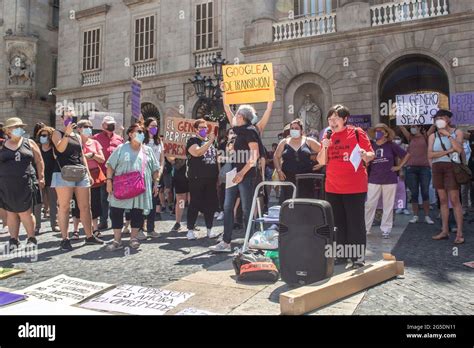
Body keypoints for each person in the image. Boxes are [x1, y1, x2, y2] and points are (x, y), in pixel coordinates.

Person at [317, 105, 375, 268]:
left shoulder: (356, 132)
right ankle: (342, 255)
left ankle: (357, 257)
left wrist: (365, 155)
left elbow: (371, 154)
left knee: (355, 222)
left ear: (345, 119)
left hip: (354, 186)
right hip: (333, 187)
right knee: (338, 223)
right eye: (329, 119)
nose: (332, 122)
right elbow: (321, 161)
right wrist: (326, 145)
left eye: (335, 118)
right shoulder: (326, 137)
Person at [209, 104, 261, 253]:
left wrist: (242, 173)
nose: (234, 117)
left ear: (242, 117)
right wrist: (225, 94)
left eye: (237, 114)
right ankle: (226, 242)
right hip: (235, 173)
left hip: (246, 175)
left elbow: (254, 156)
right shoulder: (238, 131)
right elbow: (228, 111)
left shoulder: (250, 132)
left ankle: (250, 242)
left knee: (246, 209)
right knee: (227, 207)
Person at [51, 108, 103, 251]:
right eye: (67, 117)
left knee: (86, 206)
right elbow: (59, 150)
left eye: (72, 117)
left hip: (80, 172)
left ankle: (89, 236)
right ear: (62, 118)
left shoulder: (78, 136)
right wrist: (67, 134)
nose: (70, 119)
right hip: (62, 174)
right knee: (65, 207)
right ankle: (65, 238)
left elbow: (81, 155)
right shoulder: (57, 133)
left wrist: (88, 173)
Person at [105, 123, 161, 251]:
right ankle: (117, 240)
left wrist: (156, 183)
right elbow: (110, 165)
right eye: (138, 131)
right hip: (121, 186)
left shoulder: (147, 150)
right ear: (130, 134)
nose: (141, 134)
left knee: (138, 213)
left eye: (142, 132)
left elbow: (155, 169)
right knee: (116, 212)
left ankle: (133, 238)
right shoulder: (121, 148)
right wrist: (108, 181)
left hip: (140, 187)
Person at [0, 117, 45, 249]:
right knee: (11, 212)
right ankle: (14, 239)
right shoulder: (2, 146)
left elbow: (39, 160)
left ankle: (31, 237)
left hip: (26, 182)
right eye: (15, 127)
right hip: (6, 184)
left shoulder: (29, 143)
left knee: (25, 212)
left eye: (20, 127)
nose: (19, 129)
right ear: (8, 131)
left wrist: (41, 176)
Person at [365, 124, 410, 239]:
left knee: (388, 205)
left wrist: (399, 167)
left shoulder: (391, 145)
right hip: (373, 178)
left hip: (389, 179)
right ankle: (365, 228)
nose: (377, 133)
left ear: (386, 133)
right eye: (376, 131)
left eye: (380, 131)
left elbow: (406, 155)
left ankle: (386, 229)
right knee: (370, 204)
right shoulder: (370, 145)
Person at [428, 109, 464, 244]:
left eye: (441, 117)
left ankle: (459, 233)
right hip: (437, 167)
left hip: (451, 167)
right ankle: (444, 230)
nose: (438, 120)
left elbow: (459, 149)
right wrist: (448, 150)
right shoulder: (433, 136)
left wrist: (448, 135)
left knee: (454, 200)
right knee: (442, 200)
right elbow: (430, 155)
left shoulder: (457, 132)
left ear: (448, 119)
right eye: (436, 118)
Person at [69, 120, 106, 238]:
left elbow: (102, 159)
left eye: (90, 127)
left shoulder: (95, 143)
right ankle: (75, 229)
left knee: (94, 202)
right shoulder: (74, 141)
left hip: (94, 175)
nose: (88, 129)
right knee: (77, 203)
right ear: (79, 129)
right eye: (85, 127)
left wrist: (93, 155)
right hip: (78, 174)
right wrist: (84, 157)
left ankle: (95, 228)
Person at [186, 119, 220, 240]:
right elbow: (197, 152)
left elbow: (216, 158)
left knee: (209, 205)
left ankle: (209, 229)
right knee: (195, 203)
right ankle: (190, 229)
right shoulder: (192, 141)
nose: (204, 130)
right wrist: (210, 141)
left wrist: (218, 174)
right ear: (195, 130)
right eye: (201, 128)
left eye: (205, 128)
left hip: (210, 177)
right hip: (196, 177)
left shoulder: (211, 142)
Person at [274, 118, 321, 202]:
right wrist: (278, 170)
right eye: (292, 128)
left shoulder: (308, 141)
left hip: (306, 179)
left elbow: (323, 150)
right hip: (288, 178)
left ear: (301, 130)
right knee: (288, 203)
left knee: (305, 203)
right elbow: (276, 156)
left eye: (296, 128)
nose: (294, 130)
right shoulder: (284, 142)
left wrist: (321, 163)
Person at [399, 125, 435, 224]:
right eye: (411, 127)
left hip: (424, 168)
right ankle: (415, 216)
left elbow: (433, 126)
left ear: (419, 127)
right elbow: (401, 127)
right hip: (411, 169)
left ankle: (427, 216)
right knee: (414, 193)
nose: (412, 128)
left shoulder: (425, 137)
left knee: (425, 192)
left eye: (414, 126)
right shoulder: (410, 137)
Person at [93, 116, 123, 230]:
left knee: (118, 197)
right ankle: (103, 220)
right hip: (102, 172)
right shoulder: (96, 138)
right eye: (109, 124)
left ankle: (116, 220)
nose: (111, 126)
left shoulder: (119, 139)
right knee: (103, 198)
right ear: (103, 126)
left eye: (113, 124)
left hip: (117, 173)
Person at [143, 117, 163, 237]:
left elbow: (161, 160)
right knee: (141, 203)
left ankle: (151, 229)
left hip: (155, 176)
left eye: (156, 126)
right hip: (143, 175)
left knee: (152, 202)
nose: (154, 128)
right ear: (146, 127)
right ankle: (139, 228)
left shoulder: (159, 141)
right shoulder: (142, 141)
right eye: (152, 126)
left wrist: (158, 175)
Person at [37, 126, 60, 233]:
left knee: (53, 203)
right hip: (38, 178)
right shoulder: (36, 148)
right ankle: (36, 226)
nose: (43, 137)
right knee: (37, 203)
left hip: (52, 178)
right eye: (42, 135)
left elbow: (58, 159)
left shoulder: (54, 148)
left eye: (45, 135)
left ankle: (54, 224)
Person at [169, 157, 189, 232]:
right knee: (181, 200)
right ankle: (178, 222)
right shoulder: (176, 144)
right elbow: (169, 158)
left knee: (192, 199)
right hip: (179, 173)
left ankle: (191, 222)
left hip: (193, 172)